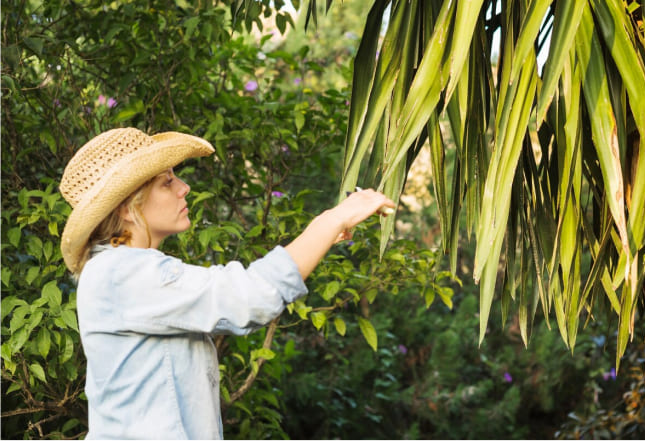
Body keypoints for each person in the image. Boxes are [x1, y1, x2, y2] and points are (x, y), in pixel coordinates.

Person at [58, 127, 395, 439]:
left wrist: (319, 239)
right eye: (166, 182)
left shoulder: (123, 271)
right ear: (127, 208)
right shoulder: (122, 274)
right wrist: (331, 218)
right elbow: (248, 298)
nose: (183, 188)